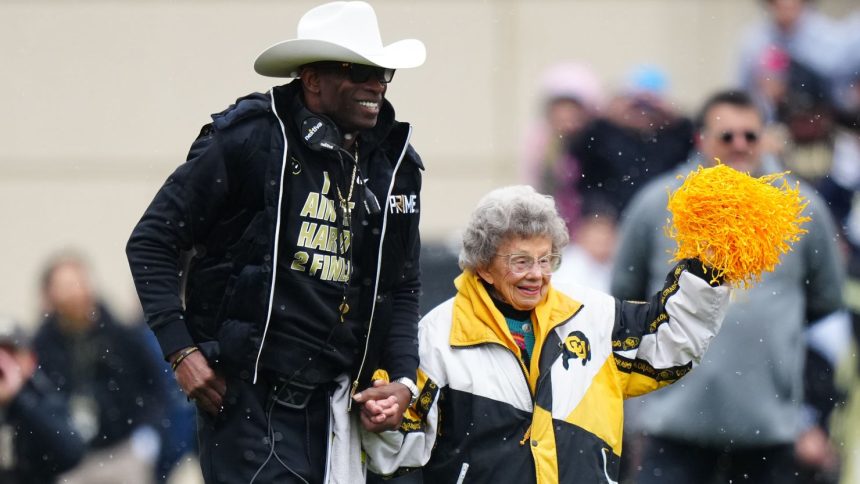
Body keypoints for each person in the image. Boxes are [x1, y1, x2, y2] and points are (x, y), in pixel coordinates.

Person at [125, 1, 426, 482]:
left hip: (337, 415)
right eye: (360, 71)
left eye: (384, 71)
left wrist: (404, 381)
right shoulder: (250, 138)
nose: (378, 85)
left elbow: (403, 286)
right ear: (311, 79)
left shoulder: (395, 164)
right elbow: (152, 240)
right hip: (248, 406)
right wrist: (181, 350)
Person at [358, 185, 731, 483]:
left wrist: (711, 267)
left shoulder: (593, 316)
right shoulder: (437, 337)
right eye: (520, 261)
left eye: (546, 259)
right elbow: (396, 455)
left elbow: (671, 344)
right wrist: (381, 419)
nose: (536, 274)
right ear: (484, 266)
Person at [611, 90, 844, 483]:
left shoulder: (800, 207)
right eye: (727, 136)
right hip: (672, 426)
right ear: (701, 139)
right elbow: (624, 298)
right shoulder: (659, 203)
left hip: (769, 429)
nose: (740, 145)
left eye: (750, 136)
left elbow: (825, 299)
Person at [34, 253, 166, 484]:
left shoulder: (122, 336)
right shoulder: (40, 348)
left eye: (79, 282)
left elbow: (156, 385)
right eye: (65, 286)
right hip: (70, 461)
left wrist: (148, 435)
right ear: (50, 294)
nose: (75, 292)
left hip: (125, 453)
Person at [0, 315, 84, 483]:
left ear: (30, 359)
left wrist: (17, 399)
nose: (4, 363)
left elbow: (70, 453)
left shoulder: (43, 395)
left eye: (11, 353)